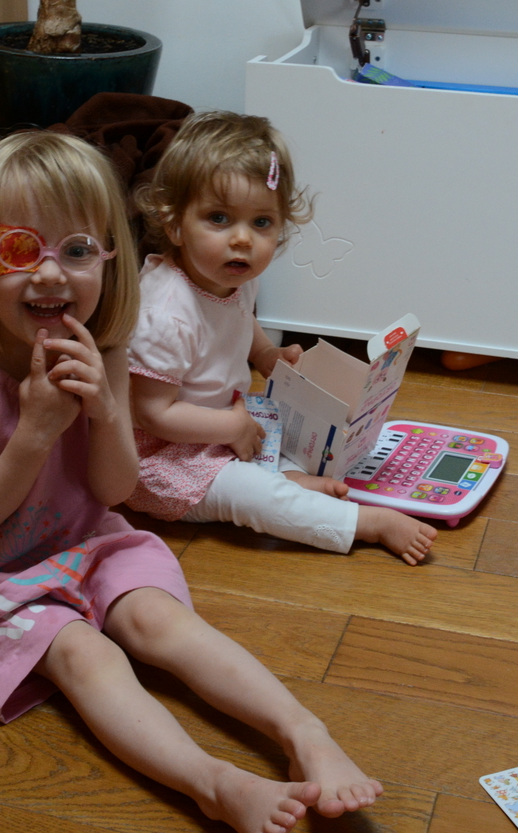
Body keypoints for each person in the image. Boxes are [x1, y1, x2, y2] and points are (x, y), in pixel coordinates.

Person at [0, 131, 381, 833]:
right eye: (20, 249)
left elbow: (116, 487)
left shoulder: (107, 346)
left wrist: (104, 413)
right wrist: (35, 431)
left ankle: (305, 733)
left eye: (77, 249)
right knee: (85, 655)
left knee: (160, 622)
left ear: (110, 256)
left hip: (82, 536)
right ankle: (213, 783)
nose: (50, 274)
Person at [128, 111, 438, 565]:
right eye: (219, 218)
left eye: (261, 223)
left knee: (299, 433)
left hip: (220, 426)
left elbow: (238, 318)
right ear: (174, 224)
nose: (243, 240)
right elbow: (151, 414)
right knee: (251, 495)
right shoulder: (164, 314)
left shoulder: (233, 277)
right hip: (161, 460)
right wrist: (231, 428)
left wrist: (264, 353)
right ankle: (361, 522)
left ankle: (289, 481)